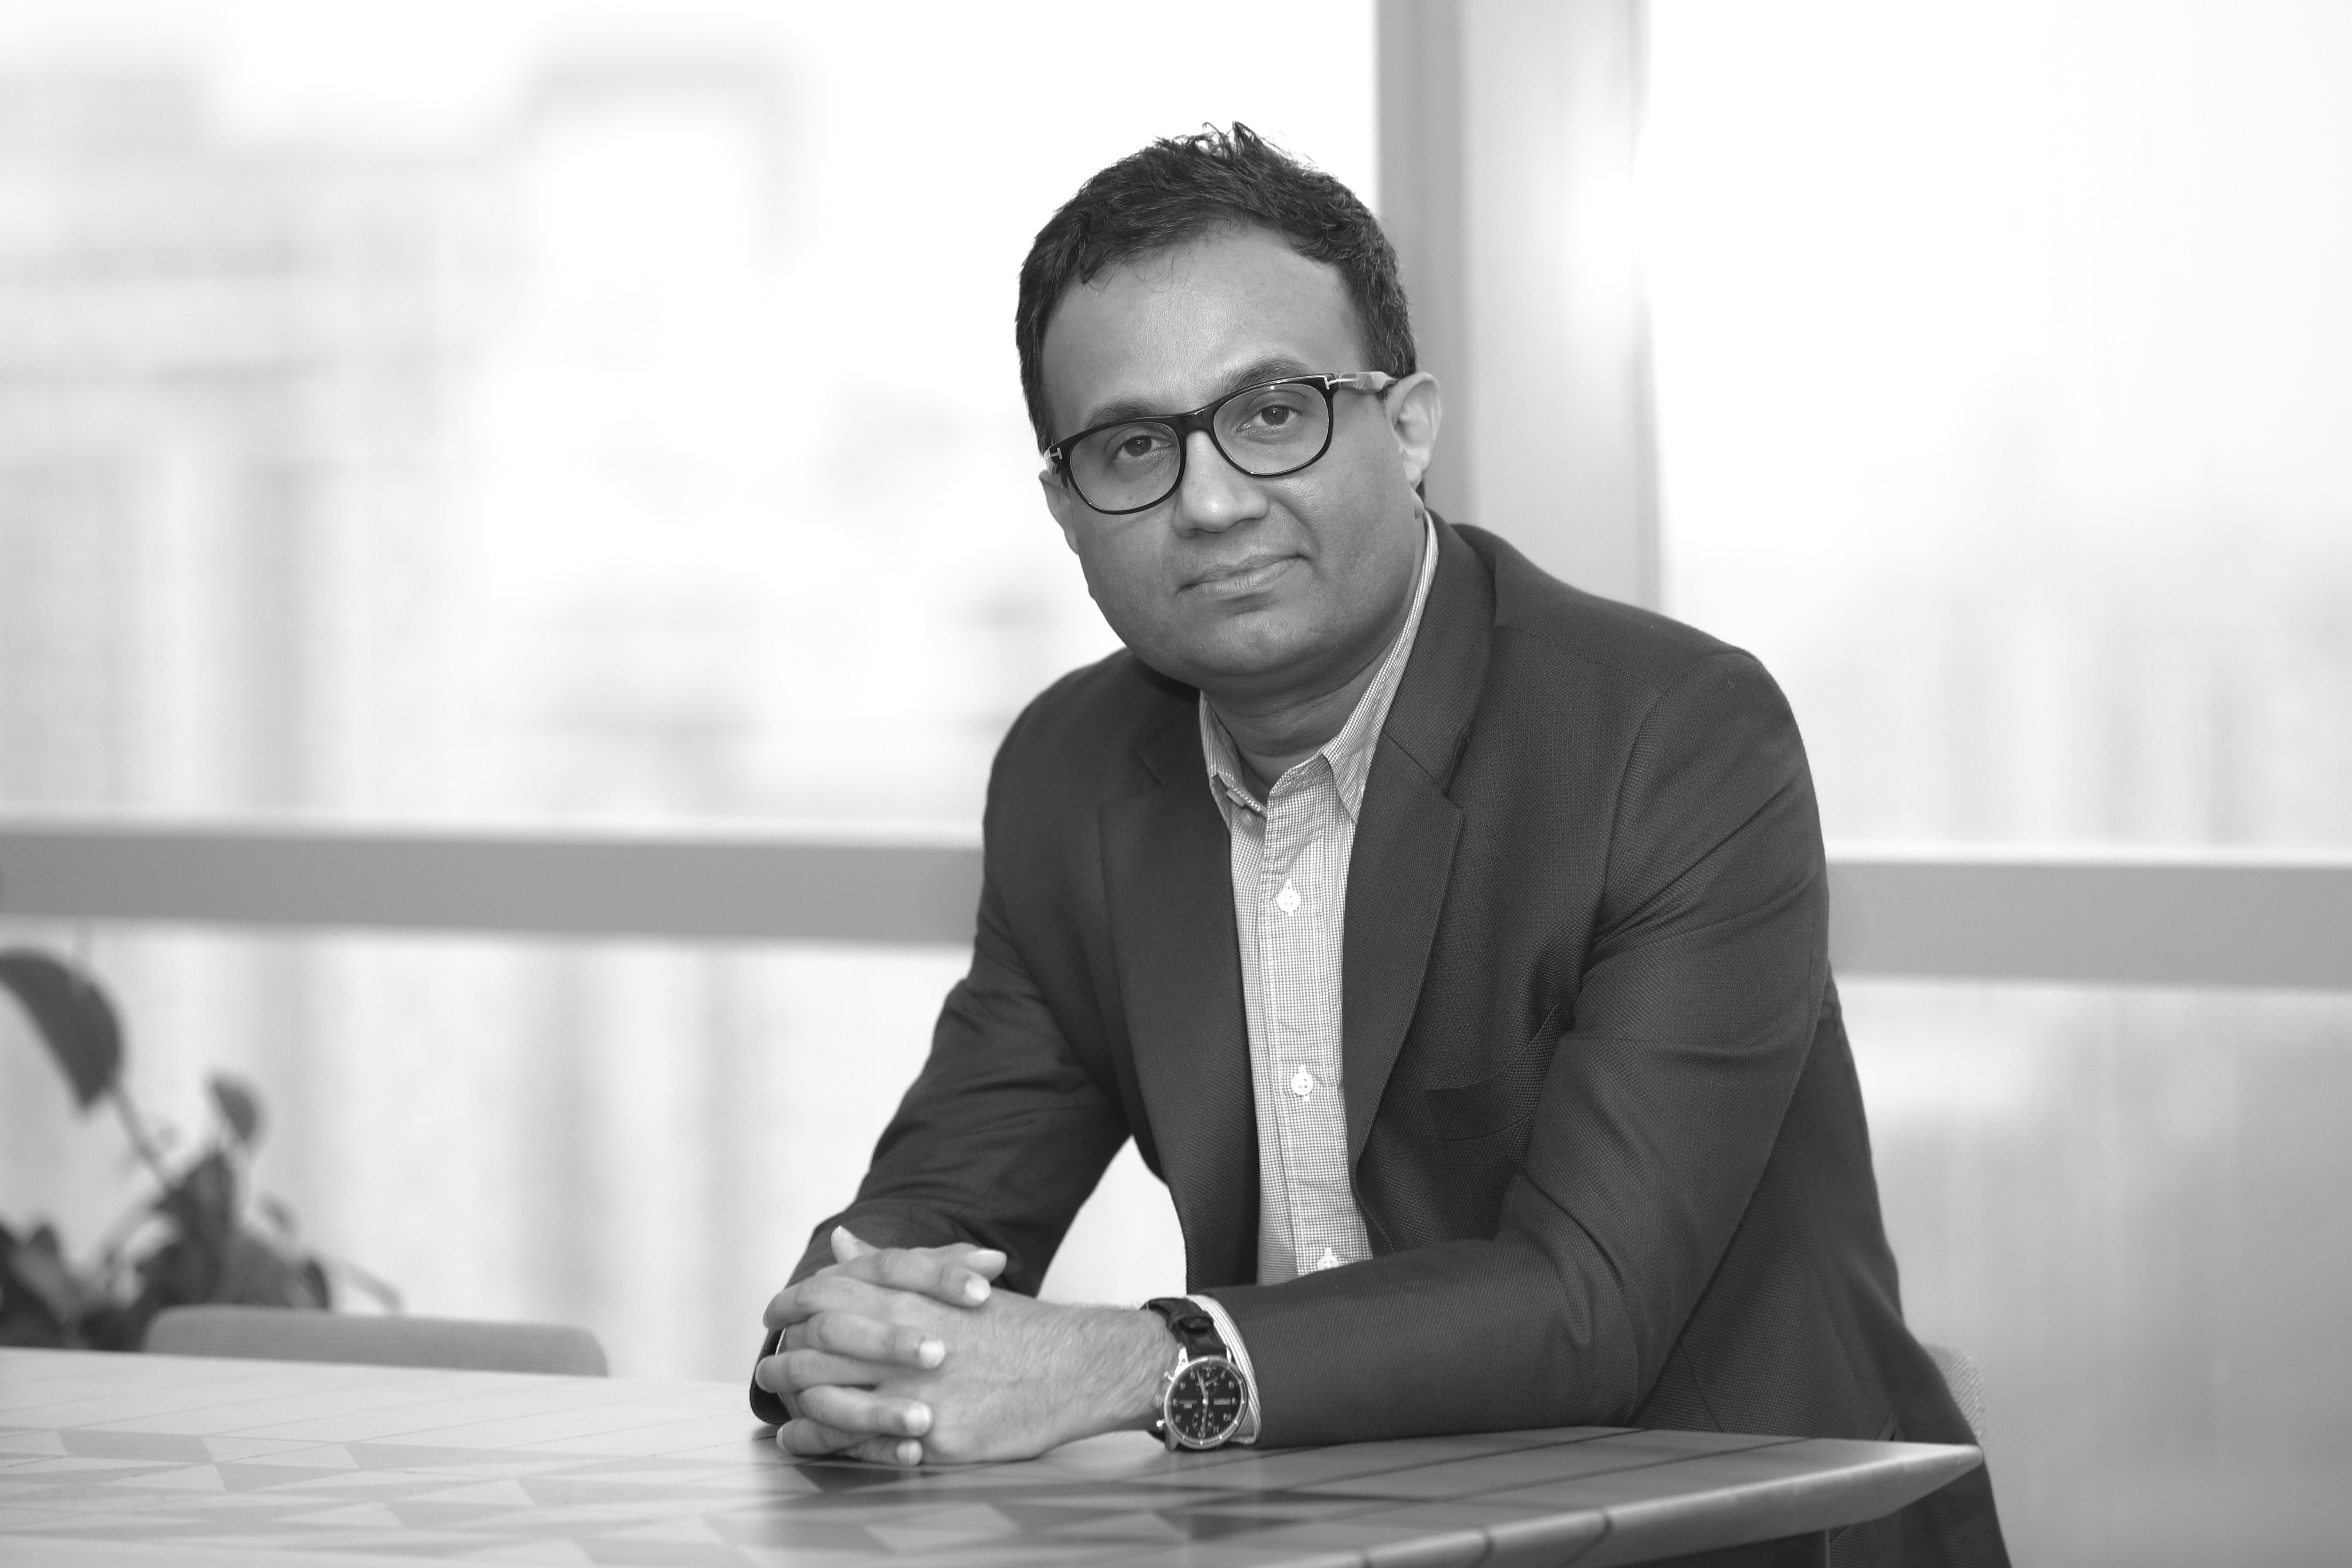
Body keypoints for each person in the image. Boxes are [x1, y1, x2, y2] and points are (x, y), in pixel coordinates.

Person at [749, 124, 2007, 1565]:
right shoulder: (1069, 772)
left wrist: (1128, 1365)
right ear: (1065, 507)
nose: (1211, 500)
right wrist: (855, 1331)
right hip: (1325, 1541)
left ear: (1407, 426)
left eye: (1274, 412)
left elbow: (1587, 1302)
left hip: (1737, 1540)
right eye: (1133, 447)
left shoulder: (1671, 734)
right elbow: (947, 1191)